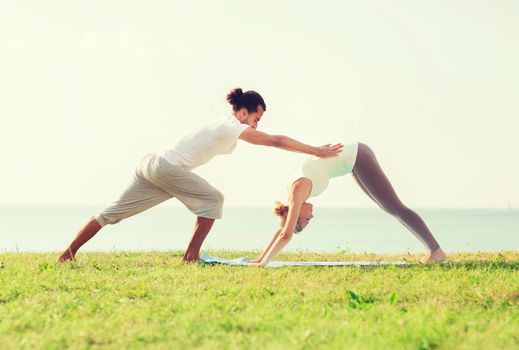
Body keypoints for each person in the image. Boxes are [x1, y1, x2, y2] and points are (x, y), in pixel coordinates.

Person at [57, 88, 343, 263]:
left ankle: (67, 254)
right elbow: (276, 141)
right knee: (213, 199)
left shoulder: (224, 125)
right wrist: (316, 150)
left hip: (152, 164)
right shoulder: (231, 126)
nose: (256, 125)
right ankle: (190, 258)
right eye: (256, 119)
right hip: (166, 169)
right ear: (242, 112)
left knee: (110, 213)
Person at [250, 142, 446, 266]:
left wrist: (264, 263)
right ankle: (434, 250)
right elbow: (283, 228)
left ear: (296, 215)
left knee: (394, 207)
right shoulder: (294, 196)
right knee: (389, 207)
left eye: (306, 221)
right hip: (354, 161)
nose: (311, 218)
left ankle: (435, 251)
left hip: (358, 157)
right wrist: (260, 258)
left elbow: (286, 233)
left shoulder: (296, 193)